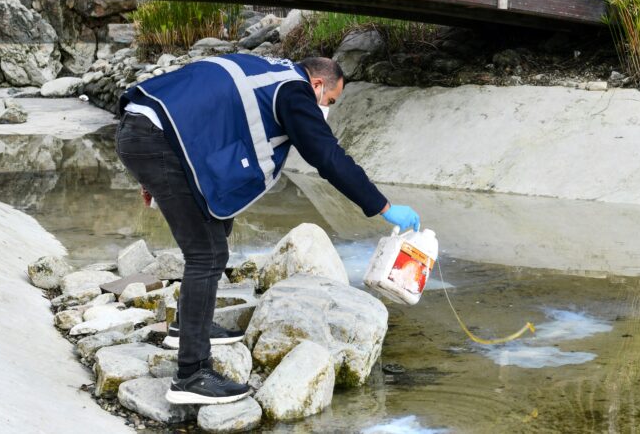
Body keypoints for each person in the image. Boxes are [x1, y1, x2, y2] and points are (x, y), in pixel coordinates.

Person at [114, 53, 421, 405]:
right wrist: (383, 206)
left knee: (216, 218)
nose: (328, 108)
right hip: (156, 139)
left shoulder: (268, 71)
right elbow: (327, 156)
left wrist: (149, 169)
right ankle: (192, 374)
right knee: (208, 254)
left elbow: (206, 105)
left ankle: (188, 326)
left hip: (143, 125)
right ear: (318, 84)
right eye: (330, 101)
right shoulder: (294, 92)